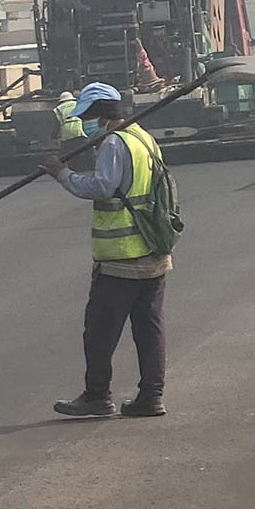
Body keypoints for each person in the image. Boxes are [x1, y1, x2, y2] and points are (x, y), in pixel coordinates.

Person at [43, 83, 172, 419]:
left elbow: (103, 186)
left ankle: (97, 395)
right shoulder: (142, 137)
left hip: (121, 257)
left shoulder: (114, 143)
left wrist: (63, 174)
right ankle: (152, 396)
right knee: (149, 328)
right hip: (153, 250)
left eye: (87, 116)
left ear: (100, 116)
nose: (86, 123)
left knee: (100, 331)